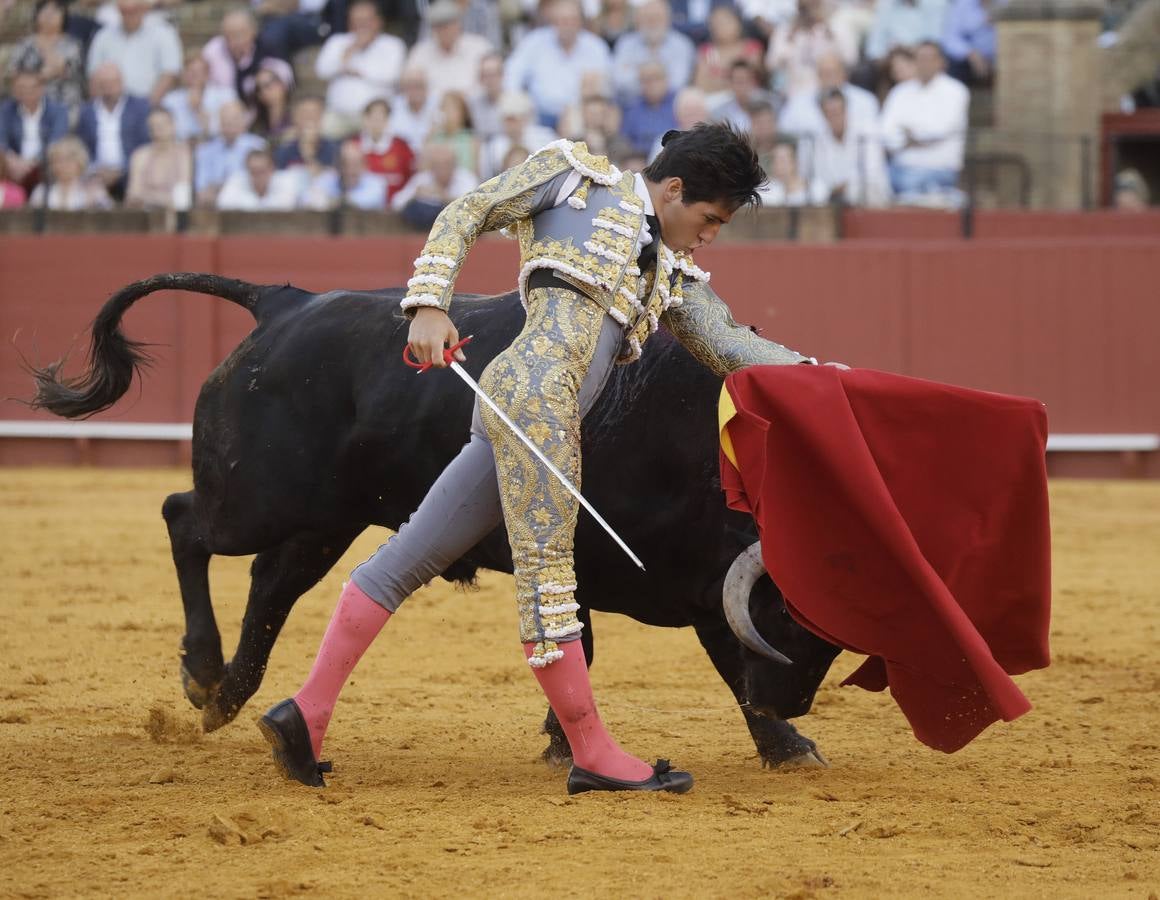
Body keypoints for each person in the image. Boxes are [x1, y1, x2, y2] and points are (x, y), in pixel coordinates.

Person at [257, 123, 820, 795]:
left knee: (407, 559)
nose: (711, 235)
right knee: (551, 581)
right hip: (538, 407)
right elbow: (469, 209)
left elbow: (729, 344)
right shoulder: (575, 178)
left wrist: (824, 376)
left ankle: (306, 712)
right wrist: (429, 303)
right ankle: (593, 754)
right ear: (673, 190)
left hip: (528, 409)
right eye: (709, 218)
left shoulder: (669, 272)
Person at [879, 40, 969, 203]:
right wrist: (911, 137)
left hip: (939, 171)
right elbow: (886, 133)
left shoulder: (956, 91)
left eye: (929, 58)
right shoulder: (900, 92)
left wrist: (909, 132)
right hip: (899, 168)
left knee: (909, 188)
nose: (923, 63)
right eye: (919, 58)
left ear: (941, 62)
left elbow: (938, 130)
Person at [503, 0, 612, 129]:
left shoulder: (595, 47)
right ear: (553, 22)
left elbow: (606, 87)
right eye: (561, 20)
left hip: (580, 116)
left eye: (572, 20)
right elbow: (512, 74)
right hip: (538, 115)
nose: (567, 25)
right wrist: (519, 102)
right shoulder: (534, 42)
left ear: (581, 21)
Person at [315, 0, 407, 138]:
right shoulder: (338, 41)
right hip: (338, 114)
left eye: (366, 20)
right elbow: (321, 71)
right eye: (356, 21)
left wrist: (357, 71)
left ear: (378, 21)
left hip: (376, 116)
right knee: (319, 132)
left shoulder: (393, 44)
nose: (361, 26)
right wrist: (349, 52)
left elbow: (392, 75)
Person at [76, 61, 151, 201]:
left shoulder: (141, 107)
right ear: (96, 85)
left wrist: (121, 170)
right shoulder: (87, 111)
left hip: (133, 172)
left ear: (122, 82)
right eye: (103, 83)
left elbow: (145, 143)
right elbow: (83, 146)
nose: (108, 87)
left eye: (113, 82)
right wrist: (95, 170)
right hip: (96, 174)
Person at [86, 0, 181, 106]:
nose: (129, 14)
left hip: (150, 106)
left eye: (134, 10)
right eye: (124, 10)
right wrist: (102, 109)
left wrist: (147, 107)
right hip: (110, 107)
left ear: (144, 10)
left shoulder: (164, 34)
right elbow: (94, 76)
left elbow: (169, 74)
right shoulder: (103, 36)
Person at [806, 88, 891, 206]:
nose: (834, 117)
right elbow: (819, 179)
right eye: (828, 113)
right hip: (834, 204)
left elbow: (872, 175)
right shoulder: (819, 140)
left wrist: (842, 187)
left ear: (845, 110)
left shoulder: (866, 133)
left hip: (871, 203)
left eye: (837, 112)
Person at [405, 0, 493, 104]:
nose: (445, 30)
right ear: (433, 29)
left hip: (474, 110)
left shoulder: (480, 47)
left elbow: (491, 84)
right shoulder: (419, 52)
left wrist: (464, 99)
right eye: (439, 26)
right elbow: (410, 86)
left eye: (449, 25)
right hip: (433, 112)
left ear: (458, 24)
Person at [6, 0, 85, 112]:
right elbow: (13, 72)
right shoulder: (24, 44)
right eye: (45, 12)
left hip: (65, 102)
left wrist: (45, 45)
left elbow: (64, 68)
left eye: (54, 12)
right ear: (36, 15)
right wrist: (38, 78)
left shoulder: (73, 44)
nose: (49, 16)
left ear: (64, 16)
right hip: (29, 102)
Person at [610, 0, 696, 104]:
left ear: (668, 19)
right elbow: (620, 80)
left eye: (657, 17)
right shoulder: (626, 44)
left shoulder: (682, 45)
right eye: (647, 18)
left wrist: (641, 76)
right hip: (632, 105)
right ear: (638, 21)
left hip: (672, 106)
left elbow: (678, 82)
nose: (652, 22)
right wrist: (658, 77)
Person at [777, 50, 879, 137]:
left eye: (833, 72)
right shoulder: (798, 103)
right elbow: (785, 133)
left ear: (844, 74)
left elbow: (872, 134)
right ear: (817, 75)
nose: (829, 78)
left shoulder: (866, 100)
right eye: (824, 73)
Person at [0, 69, 70, 191]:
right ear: (14, 90)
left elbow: (55, 141)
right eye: (21, 87)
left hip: (44, 164)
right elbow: (1, 140)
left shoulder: (58, 111)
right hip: (13, 164)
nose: (26, 92)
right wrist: (14, 161)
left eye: (30, 88)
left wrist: (31, 163)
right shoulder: (6, 110)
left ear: (41, 89)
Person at [194, 99, 267, 205]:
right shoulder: (205, 151)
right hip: (215, 209)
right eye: (225, 120)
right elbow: (201, 191)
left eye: (234, 119)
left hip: (250, 205)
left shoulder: (258, 146)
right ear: (219, 123)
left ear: (244, 120)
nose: (230, 124)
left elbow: (261, 184)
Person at [389, 140, 477, 228]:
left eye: (446, 164)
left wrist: (443, 196)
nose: (442, 169)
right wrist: (414, 194)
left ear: (454, 164)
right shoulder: (422, 178)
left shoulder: (466, 178)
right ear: (431, 166)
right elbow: (395, 203)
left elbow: (474, 208)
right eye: (437, 165)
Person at [124, 106, 192, 210]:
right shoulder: (140, 155)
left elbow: (182, 197)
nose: (158, 129)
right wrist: (163, 199)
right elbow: (134, 195)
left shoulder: (183, 154)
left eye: (163, 125)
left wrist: (148, 197)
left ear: (173, 125)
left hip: (175, 216)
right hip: (144, 216)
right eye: (153, 126)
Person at [163, 53, 238, 142]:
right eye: (189, 71)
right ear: (183, 74)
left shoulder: (226, 95)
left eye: (198, 72)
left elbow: (230, 127)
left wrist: (198, 109)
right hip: (182, 148)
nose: (194, 76)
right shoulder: (170, 100)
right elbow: (169, 132)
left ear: (207, 74)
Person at [29, 135, 113, 209]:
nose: (61, 165)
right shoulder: (41, 192)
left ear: (79, 162)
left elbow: (109, 215)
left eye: (67, 160)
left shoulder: (94, 190)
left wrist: (93, 204)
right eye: (57, 160)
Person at [301, 139, 388, 210]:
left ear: (364, 166)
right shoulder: (328, 178)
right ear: (337, 166)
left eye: (355, 164)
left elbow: (364, 202)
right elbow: (307, 199)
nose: (350, 170)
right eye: (345, 163)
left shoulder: (376, 184)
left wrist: (330, 202)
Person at [620, 61, 677, 157]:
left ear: (666, 79)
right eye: (645, 80)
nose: (651, 84)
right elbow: (625, 142)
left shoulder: (679, 104)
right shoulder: (632, 110)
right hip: (641, 163)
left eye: (655, 79)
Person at [216, 146, 299, 209]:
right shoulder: (236, 180)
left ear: (272, 170)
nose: (258, 176)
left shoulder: (285, 180)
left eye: (262, 171)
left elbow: (288, 204)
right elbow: (223, 204)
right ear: (247, 170)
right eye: (253, 172)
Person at [249, 57, 295, 142]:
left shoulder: (296, 117)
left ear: (284, 84)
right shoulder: (256, 125)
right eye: (259, 88)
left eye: (268, 84)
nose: (264, 91)